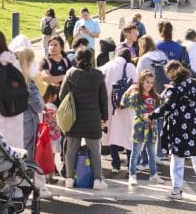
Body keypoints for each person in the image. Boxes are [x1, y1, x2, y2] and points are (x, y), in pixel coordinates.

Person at [147, 61, 196, 199]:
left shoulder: (174, 88)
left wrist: (151, 115)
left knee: (178, 156)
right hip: (194, 122)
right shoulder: (195, 83)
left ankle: (177, 189)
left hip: (178, 125)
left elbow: (167, 107)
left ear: (171, 73)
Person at [59, 49, 109, 190]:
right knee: (94, 150)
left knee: (71, 149)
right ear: (91, 59)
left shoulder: (70, 74)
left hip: (73, 118)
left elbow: (62, 95)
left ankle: (69, 178)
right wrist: (104, 117)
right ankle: (97, 180)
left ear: (77, 59)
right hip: (93, 118)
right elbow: (103, 99)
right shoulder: (98, 75)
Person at [122, 70, 165, 185]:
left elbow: (164, 103)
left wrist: (169, 90)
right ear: (141, 82)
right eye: (147, 82)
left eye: (151, 82)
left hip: (152, 127)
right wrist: (128, 91)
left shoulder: (155, 95)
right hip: (139, 127)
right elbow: (124, 103)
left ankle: (153, 175)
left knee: (152, 153)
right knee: (135, 152)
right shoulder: (136, 95)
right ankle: (132, 174)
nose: (149, 85)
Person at [99, 48, 138, 174]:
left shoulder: (106, 67)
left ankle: (115, 164)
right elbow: (136, 84)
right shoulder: (130, 66)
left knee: (112, 135)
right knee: (127, 136)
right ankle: (130, 165)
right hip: (126, 107)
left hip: (109, 106)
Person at [16, 48, 44, 161]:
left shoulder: (10, 79)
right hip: (28, 121)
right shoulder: (28, 83)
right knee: (27, 153)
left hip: (13, 120)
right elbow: (38, 106)